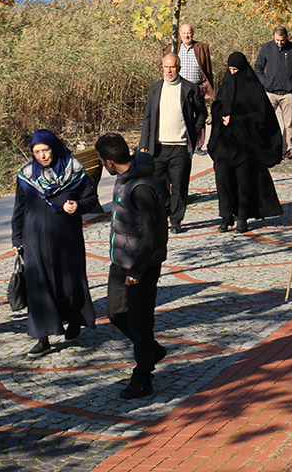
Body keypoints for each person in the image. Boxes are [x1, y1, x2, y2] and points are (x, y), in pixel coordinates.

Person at [11, 129, 101, 358]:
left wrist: (77, 206)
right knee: (38, 287)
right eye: (37, 151)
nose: (42, 156)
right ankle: (43, 338)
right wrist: (16, 238)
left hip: (67, 239)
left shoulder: (74, 169)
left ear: (54, 147)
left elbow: (91, 200)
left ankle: (75, 322)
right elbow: (18, 209)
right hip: (34, 240)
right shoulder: (26, 174)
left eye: (45, 150)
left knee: (70, 282)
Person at [96, 132, 169, 400]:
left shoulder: (141, 188)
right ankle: (152, 350)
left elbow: (153, 233)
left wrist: (138, 271)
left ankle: (143, 377)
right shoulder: (124, 177)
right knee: (116, 314)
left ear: (109, 163)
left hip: (141, 266)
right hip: (121, 261)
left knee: (140, 322)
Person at [208, 52, 284, 233]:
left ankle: (242, 217)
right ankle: (226, 216)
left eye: (236, 69)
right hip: (225, 143)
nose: (232, 73)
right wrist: (221, 116)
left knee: (243, 181)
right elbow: (218, 105)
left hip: (245, 144)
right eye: (230, 69)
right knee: (223, 179)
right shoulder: (227, 82)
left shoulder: (252, 86)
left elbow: (261, 115)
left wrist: (236, 120)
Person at [139, 53, 207, 233]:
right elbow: (147, 118)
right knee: (158, 185)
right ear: (161, 67)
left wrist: (193, 131)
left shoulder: (190, 88)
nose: (169, 71)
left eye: (173, 67)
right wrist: (143, 143)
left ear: (179, 68)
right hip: (159, 146)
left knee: (179, 185)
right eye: (166, 67)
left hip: (181, 146)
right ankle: (166, 211)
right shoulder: (155, 88)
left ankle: (176, 220)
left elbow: (202, 113)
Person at [253, 26, 292, 159]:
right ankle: (267, 147)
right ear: (273, 37)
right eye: (277, 40)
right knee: (265, 121)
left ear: (287, 37)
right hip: (270, 92)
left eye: (282, 40)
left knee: (288, 123)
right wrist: (264, 82)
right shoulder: (266, 48)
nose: (279, 43)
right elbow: (258, 67)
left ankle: (287, 150)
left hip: (288, 93)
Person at [174, 23, 215, 100]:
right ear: (180, 34)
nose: (186, 36)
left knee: (197, 111)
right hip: (179, 88)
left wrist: (208, 89)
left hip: (197, 88)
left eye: (189, 33)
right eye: (184, 33)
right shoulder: (173, 48)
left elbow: (208, 70)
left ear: (193, 33)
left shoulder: (202, 48)